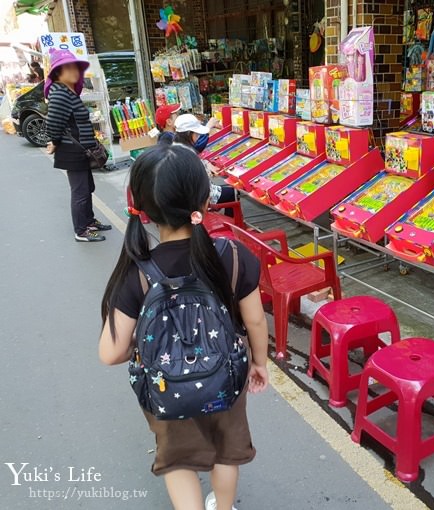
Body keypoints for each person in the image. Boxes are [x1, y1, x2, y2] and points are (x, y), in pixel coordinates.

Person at [99, 144, 269, 510]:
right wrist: (260, 363)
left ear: (142, 211)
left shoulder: (138, 272)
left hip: (165, 387)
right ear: (204, 203)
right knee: (227, 449)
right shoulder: (232, 255)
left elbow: (110, 353)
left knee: (177, 460)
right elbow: (255, 319)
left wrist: (147, 347)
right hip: (226, 377)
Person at [45, 49, 111, 242]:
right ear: (57, 72)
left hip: (81, 152)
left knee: (87, 188)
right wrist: (55, 143)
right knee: (80, 191)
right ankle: (81, 230)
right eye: (68, 67)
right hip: (72, 152)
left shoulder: (67, 91)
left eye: (75, 67)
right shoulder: (60, 94)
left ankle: (89, 221)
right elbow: (54, 125)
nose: (74, 71)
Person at [173, 113, 236, 206]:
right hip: (200, 197)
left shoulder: (175, 147)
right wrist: (211, 171)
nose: (198, 136)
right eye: (196, 133)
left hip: (184, 196)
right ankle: (233, 220)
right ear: (190, 134)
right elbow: (202, 177)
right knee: (234, 193)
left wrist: (207, 164)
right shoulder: (189, 153)